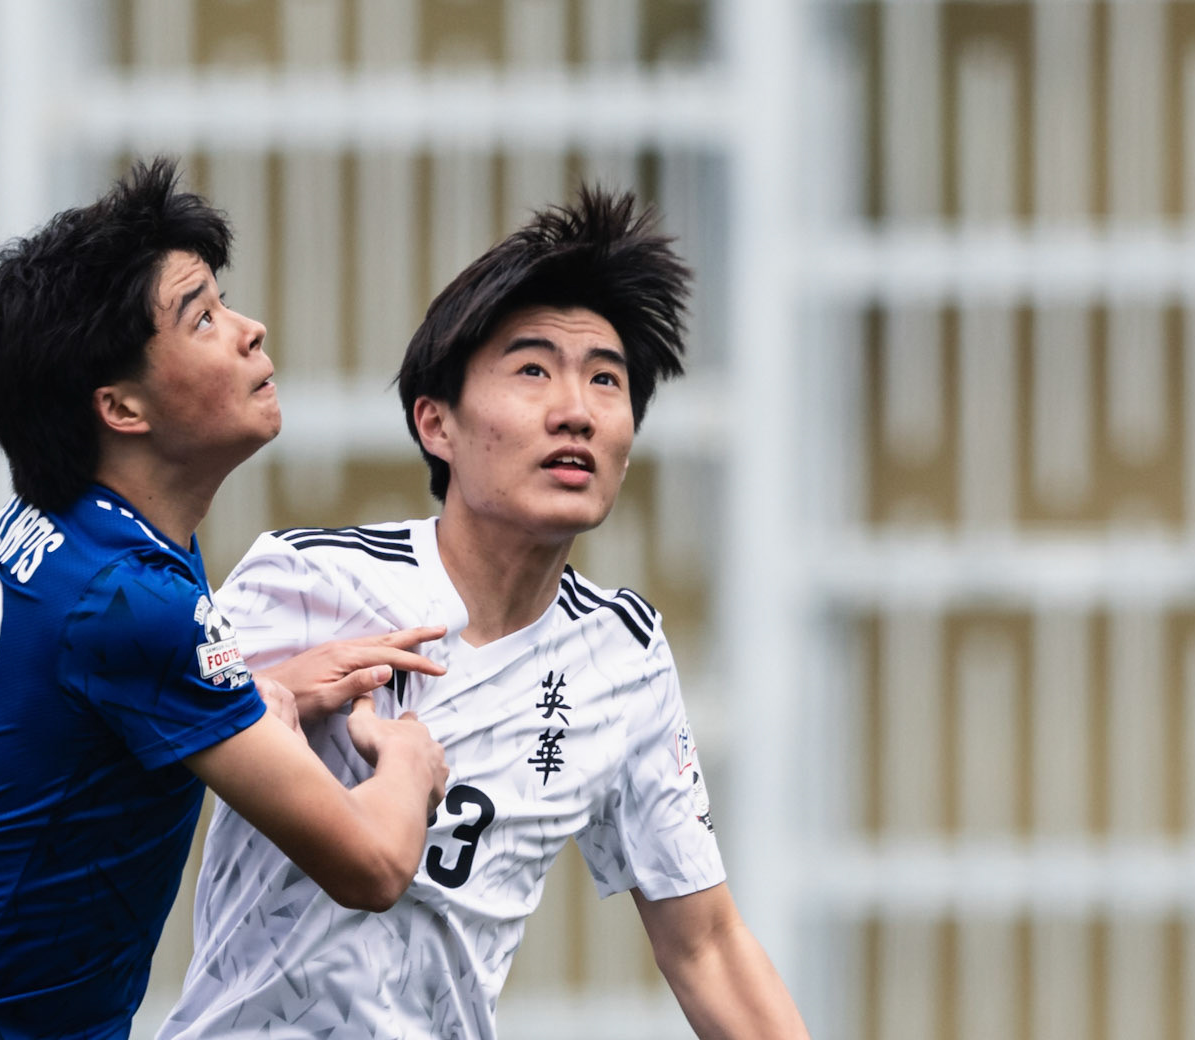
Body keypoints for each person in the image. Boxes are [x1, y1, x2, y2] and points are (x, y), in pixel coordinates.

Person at [159, 185, 811, 1040]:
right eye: (533, 370)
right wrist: (269, 688)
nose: (575, 409)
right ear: (438, 424)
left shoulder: (623, 655)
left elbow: (708, 947)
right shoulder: (309, 579)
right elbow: (70, 690)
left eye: (606, 380)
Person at [0, 158, 448, 1040]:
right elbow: (374, 867)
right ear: (119, 407)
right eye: (202, 317)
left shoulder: (52, 521)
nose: (250, 330)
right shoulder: (132, 600)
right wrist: (411, 760)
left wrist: (251, 696)